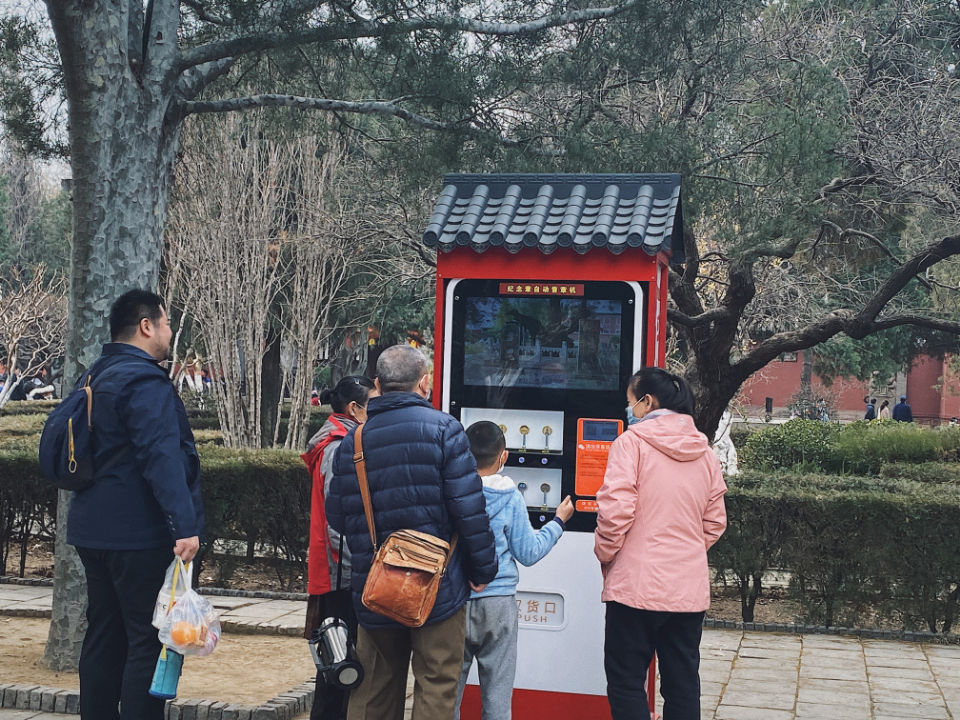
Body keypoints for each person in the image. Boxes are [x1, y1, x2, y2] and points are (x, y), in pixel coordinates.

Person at [326, 344, 497, 720]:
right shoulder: (446, 430)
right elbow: (469, 510)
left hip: (375, 586)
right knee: (436, 683)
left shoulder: (353, 441)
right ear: (425, 383)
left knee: (373, 689)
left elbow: (337, 517)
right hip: (438, 587)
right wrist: (483, 570)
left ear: (378, 384)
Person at [65, 289, 203, 720]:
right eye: (165, 324)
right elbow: (162, 457)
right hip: (137, 534)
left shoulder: (95, 375)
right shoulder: (144, 381)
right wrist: (185, 524)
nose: (168, 333)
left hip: (92, 531)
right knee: (147, 641)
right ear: (147, 326)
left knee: (103, 636)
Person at [595, 367, 727, 720]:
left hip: (634, 588)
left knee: (626, 682)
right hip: (687, 591)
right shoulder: (705, 454)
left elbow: (614, 514)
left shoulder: (631, 444)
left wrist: (608, 556)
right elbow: (715, 522)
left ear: (647, 402)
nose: (629, 410)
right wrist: (685, 553)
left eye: (630, 402)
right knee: (683, 685)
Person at [454, 421, 574, 720]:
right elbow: (529, 552)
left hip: (454, 601)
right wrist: (558, 522)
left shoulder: (451, 491)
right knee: (497, 696)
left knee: (446, 695)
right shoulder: (510, 497)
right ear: (503, 456)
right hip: (498, 604)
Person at [302, 375, 378, 720]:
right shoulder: (337, 446)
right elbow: (337, 519)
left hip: (335, 567)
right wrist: (354, 566)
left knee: (337, 658)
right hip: (339, 571)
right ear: (354, 408)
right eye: (371, 403)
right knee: (338, 661)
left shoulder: (341, 438)